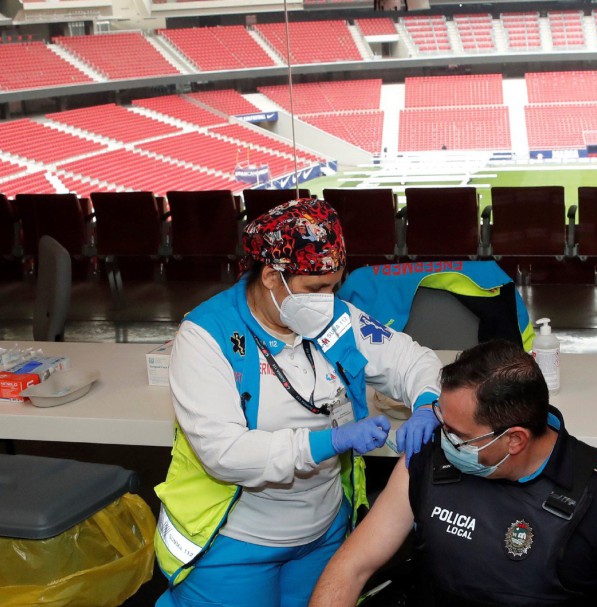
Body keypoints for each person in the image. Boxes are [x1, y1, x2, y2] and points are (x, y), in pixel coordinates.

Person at [154, 199, 443, 607]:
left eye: (334, 286)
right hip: (233, 544)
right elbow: (225, 453)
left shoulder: (334, 319)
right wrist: (331, 442)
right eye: (315, 290)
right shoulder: (207, 336)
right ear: (272, 276)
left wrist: (428, 403)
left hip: (321, 535)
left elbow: (411, 359)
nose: (327, 301)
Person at [310, 340, 597, 607]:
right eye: (441, 419)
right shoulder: (427, 461)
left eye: (458, 435)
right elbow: (351, 566)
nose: (443, 438)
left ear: (514, 440)